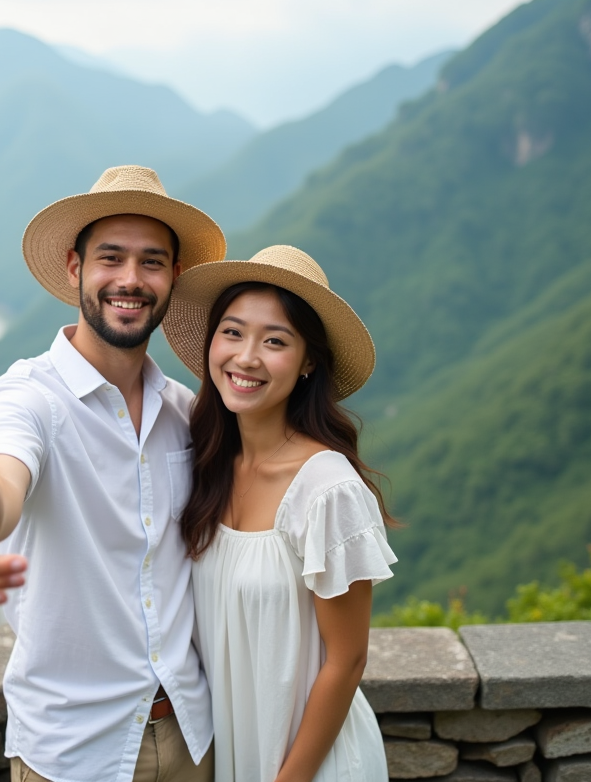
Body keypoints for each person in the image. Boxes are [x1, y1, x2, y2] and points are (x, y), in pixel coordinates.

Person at [0, 166, 224, 782]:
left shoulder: (186, 412)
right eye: (111, 258)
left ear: (174, 279)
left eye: (152, 262)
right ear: (75, 269)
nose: (130, 279)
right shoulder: (29, 397)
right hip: (74, 756)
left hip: (191, 739)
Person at [161, 244, 398, 782]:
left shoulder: (326, 489)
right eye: (233, 332)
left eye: (275, 341)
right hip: (232, 757)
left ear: (308, 361)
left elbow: (347, 661)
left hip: (312, 768)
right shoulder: (207, 467)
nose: (246, 358)